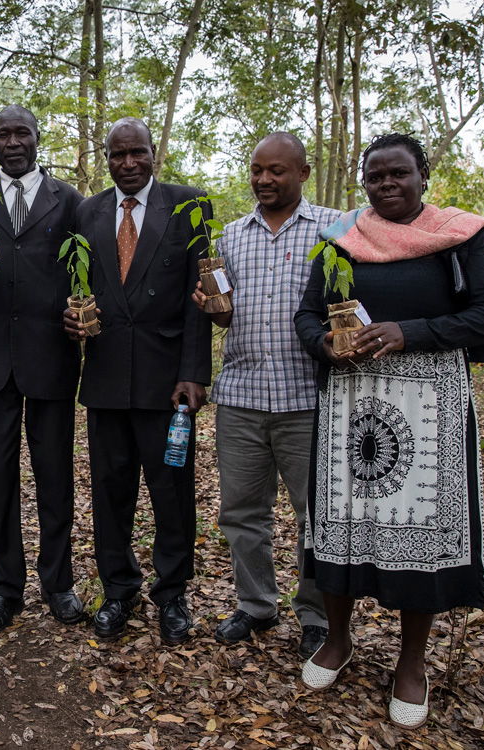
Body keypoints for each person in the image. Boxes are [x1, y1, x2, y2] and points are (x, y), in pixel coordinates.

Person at [293, 133, 484, 728]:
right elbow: (308, 313)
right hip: (350, 402)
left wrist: (407, 332)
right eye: (375, 176)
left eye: (398, 174)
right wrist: (326, 346)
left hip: (429, 405)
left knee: (420, 528)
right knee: (340, 521)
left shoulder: (459, 237)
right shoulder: (341, 240)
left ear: (423, 176)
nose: (386, 185)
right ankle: (338, 639)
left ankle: (411, 662)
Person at [63, 118, 213, 645]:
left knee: (172, 491)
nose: (127, 163)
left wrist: (194, 373)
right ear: (107, 158)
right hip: (106, 378)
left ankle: (172, 594)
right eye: (117, 154)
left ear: (155, 154)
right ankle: (118, 590)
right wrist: (74, 318)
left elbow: (200, 298)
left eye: (137, 153)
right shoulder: (88, 211)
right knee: (109, 491)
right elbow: (79, 286)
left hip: (166, 383)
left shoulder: (190, 206)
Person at [192, 133, 332, 658]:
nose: (264, 180)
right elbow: (223, 312)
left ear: (303, 172)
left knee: (314, 514)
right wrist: (214, 307)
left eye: (276, 170)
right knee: (242, 512)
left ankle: (317, 616)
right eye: (257, 170)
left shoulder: (333, 229)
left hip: (308, 400)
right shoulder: (230, 237)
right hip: (242, 397)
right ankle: (256, 606)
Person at [0, 105, 85, 634]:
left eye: (21, 133)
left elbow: (84, 272)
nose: (12, 142)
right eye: (3, 134)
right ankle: (4, 588)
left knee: (55, 478)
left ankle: (59, 584)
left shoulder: (69, 200)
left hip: (51, 358)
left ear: (37, 138)